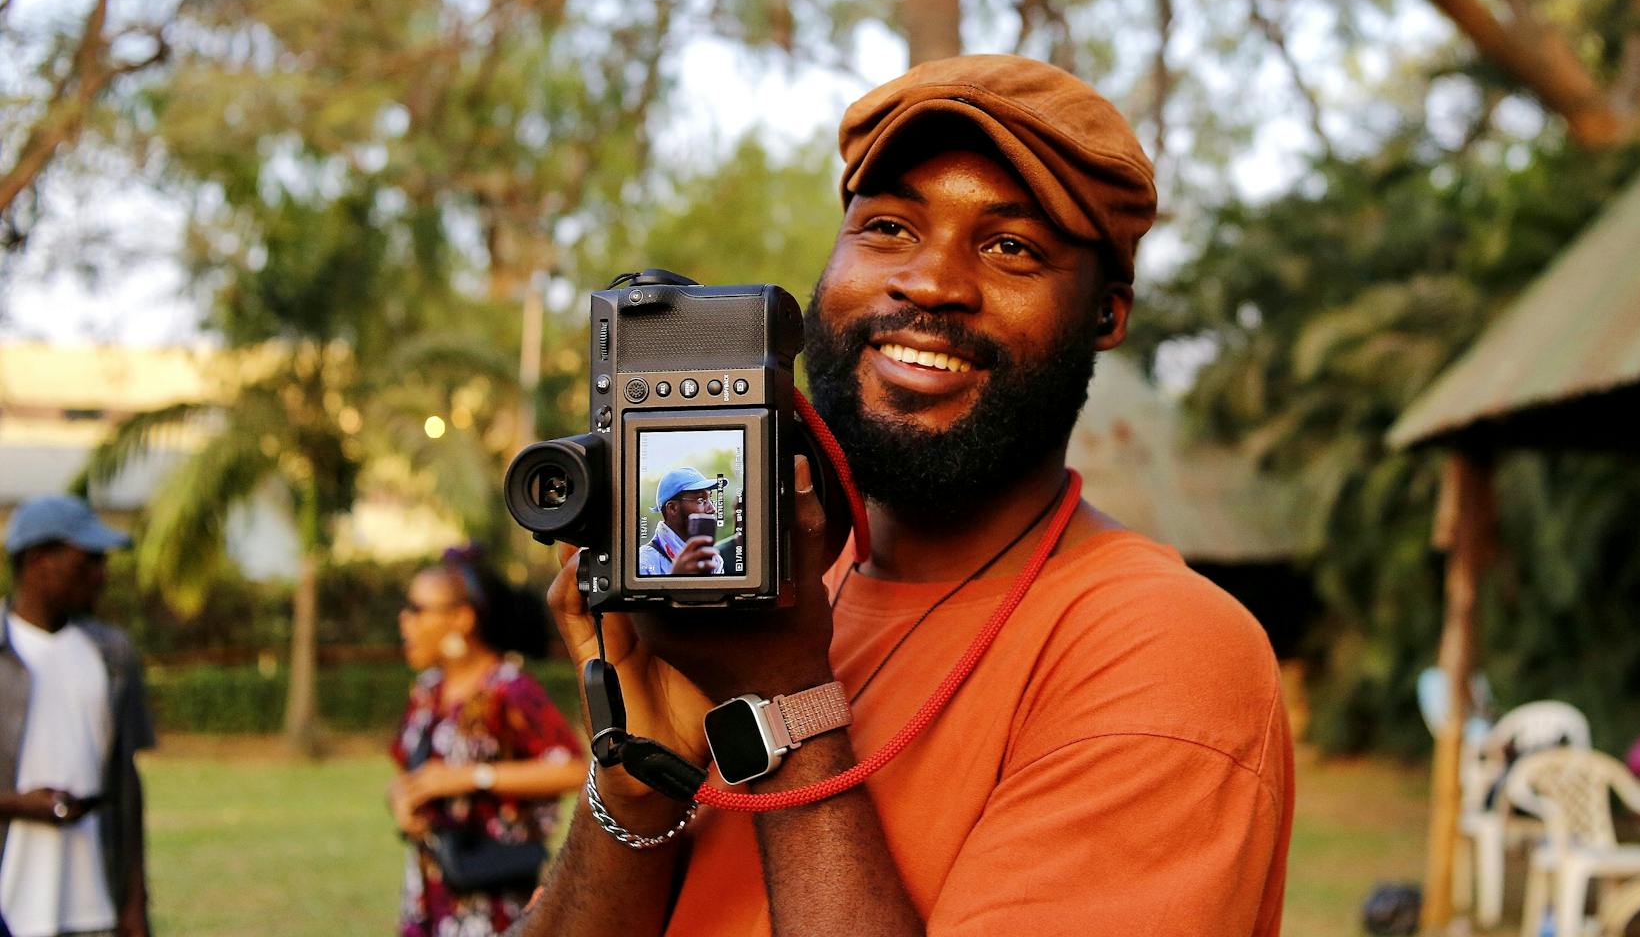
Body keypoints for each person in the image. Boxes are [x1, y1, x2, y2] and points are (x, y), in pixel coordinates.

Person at [514, 55, 1294, 937]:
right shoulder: (768, 596)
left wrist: (785, 707)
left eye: (1011, 247)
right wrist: (635, 776)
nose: (929, 282)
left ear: (1107, 315)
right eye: (888, 226)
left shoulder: (1164, 653)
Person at [389, 548, 587, 937]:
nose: (404, 621)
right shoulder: (428, 691)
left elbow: (573, 769)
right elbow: (408, 772)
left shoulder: (509, 690)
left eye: (418, 609)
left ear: (462, 618)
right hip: (430, 891)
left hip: (493, 894)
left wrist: (470, 777)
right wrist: (401, 798)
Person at [0, 494, 153, 937]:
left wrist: (134, 904)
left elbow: (127, 788)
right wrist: (17, 805)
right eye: (88, 561)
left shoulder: (113, 656)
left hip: (93, 909)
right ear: (39, 560)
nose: (102, 575)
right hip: (11, 907)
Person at [636, 470, 729, 577]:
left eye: (710, 499)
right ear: (672, 508)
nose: (713, 509)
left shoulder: (715, 560)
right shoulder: (643, 563)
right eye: (700, 500)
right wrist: (677, 580)